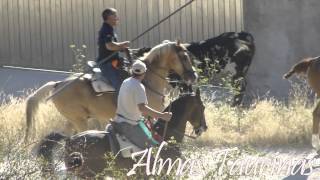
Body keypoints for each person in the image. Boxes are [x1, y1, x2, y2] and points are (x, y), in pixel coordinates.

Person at [113, 60, 172, 149]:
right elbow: (142, 108)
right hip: (130, 125)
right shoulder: (139, 87)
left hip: (118, 120)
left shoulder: (125, 81)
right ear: (144, 73)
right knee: (152, 149)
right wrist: (162, 115)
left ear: (131, 71)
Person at [97, 8, 130, 93]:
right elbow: (110, 46)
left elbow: (112, 46)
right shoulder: (106, 30)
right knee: (120, 86)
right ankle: (120, 105)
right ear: (108, 17)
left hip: (113, 63)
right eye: (115, 15)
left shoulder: (109, 29)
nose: (117, 18)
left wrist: (122, 46)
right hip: (107, 65)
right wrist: (122, 46)